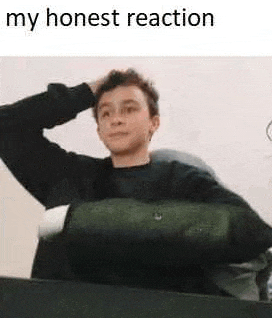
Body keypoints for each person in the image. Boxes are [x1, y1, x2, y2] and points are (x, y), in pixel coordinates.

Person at [1, 69, 272, 299]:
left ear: (154, 123)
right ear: (99, 130)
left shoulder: (182, 180)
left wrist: (83, 219)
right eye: (105, 114)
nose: (116, 119)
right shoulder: (69, 175)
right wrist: (86, 92)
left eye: (129, 109)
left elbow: (250, 232)